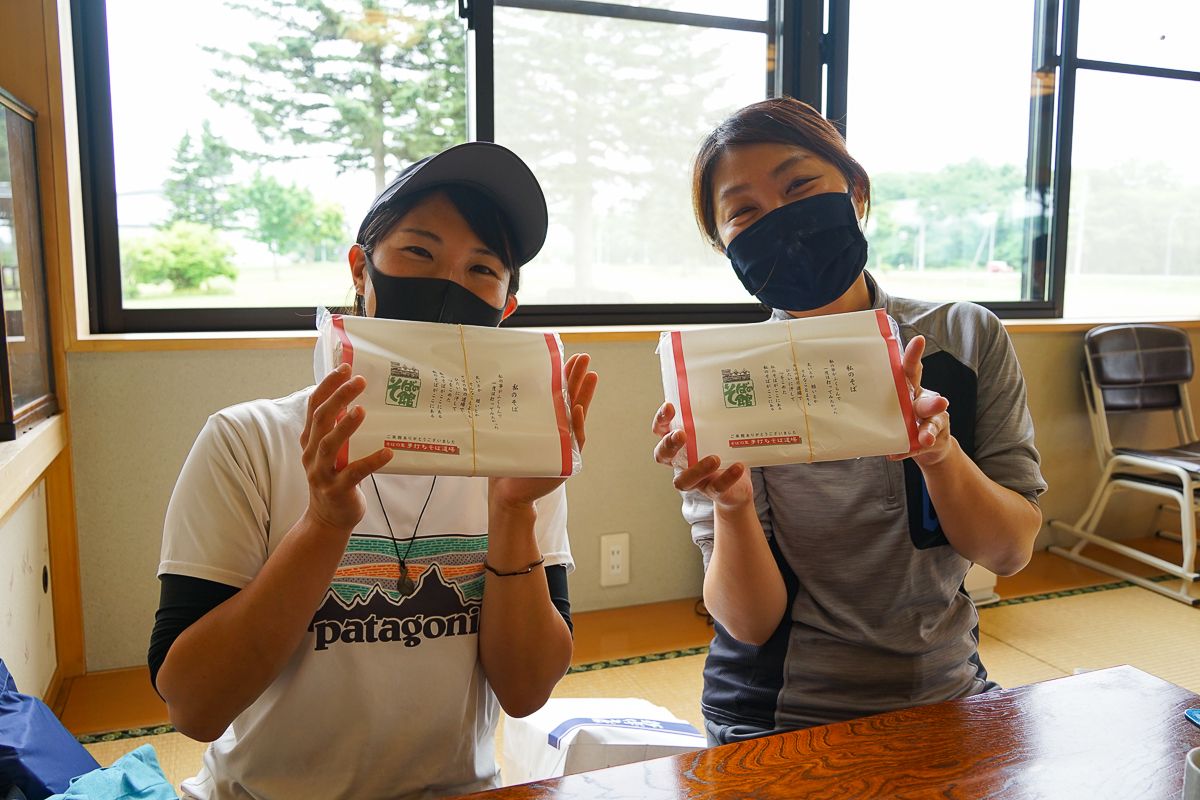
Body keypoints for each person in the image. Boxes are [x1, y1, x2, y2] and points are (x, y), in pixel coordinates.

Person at [149, 142, 599, 799]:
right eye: (419, 252)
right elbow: (194, 707)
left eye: (482, 268)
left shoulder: (520, 457)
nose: (450, 283)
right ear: (361, 270)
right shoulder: (246, 440)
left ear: (505, 310)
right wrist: (325, 524)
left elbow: (527, 693)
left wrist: (514, 511)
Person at [651, 97, 1046, 745]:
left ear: (855, 191)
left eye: (800, 186)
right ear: (726, 246)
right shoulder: (723, 383)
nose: (779, 219)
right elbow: (748, 624)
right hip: (776, 715)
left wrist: (938, 454)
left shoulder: (962, 339)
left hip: (948, 687)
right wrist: (732, 503)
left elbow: (1009, 551)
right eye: (744, 212)